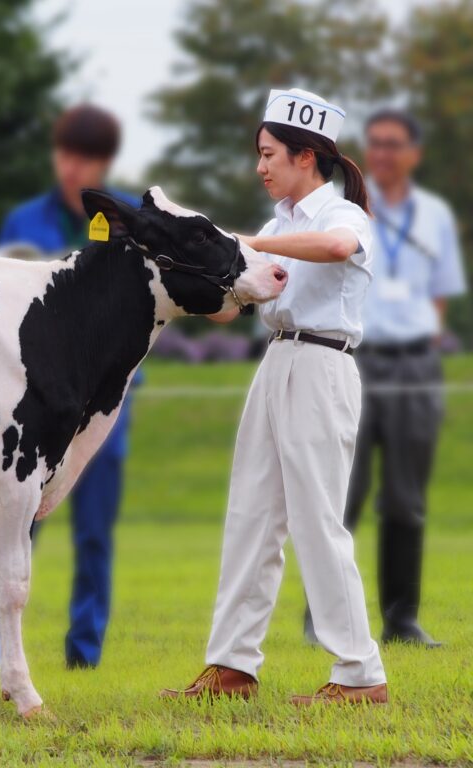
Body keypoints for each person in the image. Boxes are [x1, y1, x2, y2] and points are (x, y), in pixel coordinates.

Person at [161, 88, 388, 705]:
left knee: (317, 522)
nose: (260, 167)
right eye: (258, 155)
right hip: (277, 361)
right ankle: (233, 666)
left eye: (269, 155)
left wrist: (253, 246)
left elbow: (338, 251)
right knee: (250, 517)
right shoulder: (276, 225)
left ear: (306, 156)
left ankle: (360, 674)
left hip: (323, 366)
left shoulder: (341, 216)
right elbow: (230, 309)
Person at [0, 104, 141, 670]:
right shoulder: (23, 221)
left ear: (105, 161)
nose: (72, 168)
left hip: (100, 403)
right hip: (28, 405)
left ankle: (84, 653)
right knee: (12, 525)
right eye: (65, 154)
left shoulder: (130, 219)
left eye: (85, 158)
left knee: (95, 533)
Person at [301, 109, 467, 647]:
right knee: (338, 492)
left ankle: (402, 618)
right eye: (374, 144)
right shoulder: (341, 213)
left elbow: (439, 294)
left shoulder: (435, 215)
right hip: (354, 358)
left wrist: (416, 339)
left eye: (394, 145)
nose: (382, 154)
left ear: (414, 153)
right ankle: (324, 619)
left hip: (415, 367)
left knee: (405, 497)